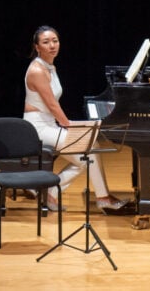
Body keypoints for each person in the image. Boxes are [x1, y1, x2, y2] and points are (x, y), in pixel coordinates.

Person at [22, 25, 129, 212]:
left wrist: (67, 126)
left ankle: (53, 192)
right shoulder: (37, 71)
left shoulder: (49, 66)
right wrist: (69, 125)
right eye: (46, 42)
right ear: (37, 47)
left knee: (89, 151)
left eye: (55, 41)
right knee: (88, 152)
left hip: (49, 124)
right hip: (37, 128)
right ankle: (102, 197)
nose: (52, 45)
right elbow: (52, 105)